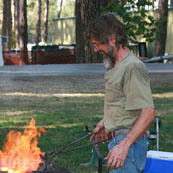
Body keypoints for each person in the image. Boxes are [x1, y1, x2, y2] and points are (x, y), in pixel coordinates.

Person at [85, 13, 155, 173]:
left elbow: (148, 112)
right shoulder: (116, 66)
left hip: (129, 145)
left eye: (97, 44)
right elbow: (126, 103)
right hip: (120, 140)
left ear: (112, 39)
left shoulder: (132, 67)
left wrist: (124, 146)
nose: (95, 49)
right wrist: (107, 121)